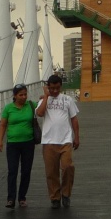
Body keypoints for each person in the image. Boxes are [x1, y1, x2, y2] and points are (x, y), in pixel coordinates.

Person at [36, 72, 80, 208]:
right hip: (49, 141)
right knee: (51, 171)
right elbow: (40, 113)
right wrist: (46, 97)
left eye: (57, 88)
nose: (55, 91)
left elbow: (74, 118)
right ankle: (55, 197)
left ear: (61, 86)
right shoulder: (44, 100)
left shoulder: (67, 99)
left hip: (65, 140)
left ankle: (66, 193)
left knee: (67, 167)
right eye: (52, 88)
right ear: (48, 87)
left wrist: (77, 136)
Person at [0, 83, 36, 208]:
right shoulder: (8, 108)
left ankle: (22, 197)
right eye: (21, 95)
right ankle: (11, 198)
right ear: (14, 96)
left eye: (25, 94)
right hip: (13, 143)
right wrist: (0, 141)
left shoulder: (31, 105)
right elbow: (3, 125)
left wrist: (45, 97)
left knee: (26, 171)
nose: (24, 97)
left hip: (28, 142)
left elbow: (42, 108)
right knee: (12, 170)